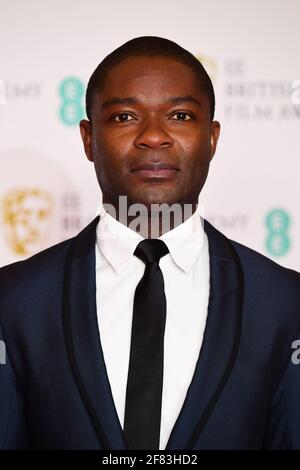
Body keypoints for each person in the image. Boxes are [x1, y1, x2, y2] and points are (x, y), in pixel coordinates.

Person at [0, 36, 300, 451]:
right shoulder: (13, 299)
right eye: (125, 117)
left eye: (179, 115)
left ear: (212, 138)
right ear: (88, 139)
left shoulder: (286, 302)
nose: (154, 137)